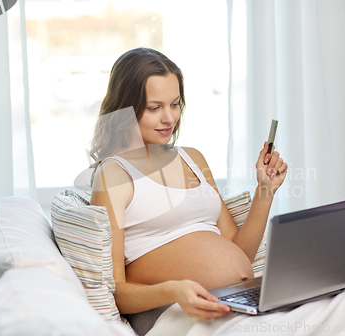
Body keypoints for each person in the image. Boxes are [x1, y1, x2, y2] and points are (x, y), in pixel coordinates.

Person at [89, 48, 288, 336]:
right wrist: (175, 290)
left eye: (175, 104)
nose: (169, 118)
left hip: (237, 300)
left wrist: (265, 190)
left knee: (344, 299)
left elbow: (239, 253)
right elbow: (118, 292)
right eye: (154, 108)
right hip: (174, 310)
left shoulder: (193, 159)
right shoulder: (114, 175)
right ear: (126, 108)